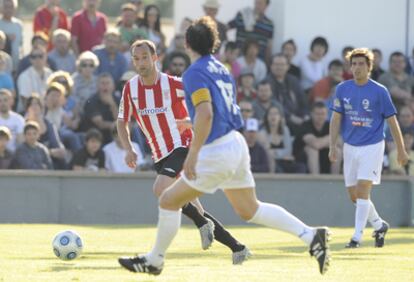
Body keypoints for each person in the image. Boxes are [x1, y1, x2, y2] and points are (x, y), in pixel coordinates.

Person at [118, 17, 330, 276]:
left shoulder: (193, 72)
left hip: (216, 148)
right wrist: (191, 120)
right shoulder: (221, 68)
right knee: (250, 209)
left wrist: (193, 154)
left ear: (187, 44)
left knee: (167, 199)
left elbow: (206, 114)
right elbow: (223, 109)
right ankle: (311, 236)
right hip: (235, 143)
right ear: (214, 43)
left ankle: (155, 260)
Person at [117, 39, 250, 264]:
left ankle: (164, 251)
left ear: (155, 57)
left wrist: (190, 121)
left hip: (182, 145)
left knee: (161, 189)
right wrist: (129, 149)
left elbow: (204, 101)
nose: (140, 63)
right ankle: (238, 248)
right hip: (159, 154)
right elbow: (122, 121)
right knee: (194, 207)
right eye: (136, 59)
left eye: (145, 57)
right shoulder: (131, 88)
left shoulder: (173, 84)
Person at [329, 48, 409, 248]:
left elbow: (392, 121)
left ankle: (356, 238)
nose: (356, 68)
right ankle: (379, 224)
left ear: (369, 67)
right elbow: (336, 118)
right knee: (354, 195)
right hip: (350, 146)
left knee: (363, 189)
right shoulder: (342, 89)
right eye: (354, 64)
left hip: (372, 146)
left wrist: (401, 149)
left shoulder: (379, 90)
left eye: (361, 64)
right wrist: (332, 145)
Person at [294, 102, 338, 174]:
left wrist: (325, 141)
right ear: (311, 114)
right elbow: (316, 144)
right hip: (303, 160)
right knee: (312, 150)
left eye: (323, 114)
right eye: (317, 114)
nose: (320, 116)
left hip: (325, 158)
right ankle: (316, 180)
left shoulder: (331, 125)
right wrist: (330, 139)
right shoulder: (305, 125)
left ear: (327, 114)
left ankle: (334, 180)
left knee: (337, 150)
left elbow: (340, 141)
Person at [0, 0, 23, 72]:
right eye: (6, 7)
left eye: (11, 7)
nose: (9, 10)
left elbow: (21, 46)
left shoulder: (18, 25)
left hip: (16, 66)